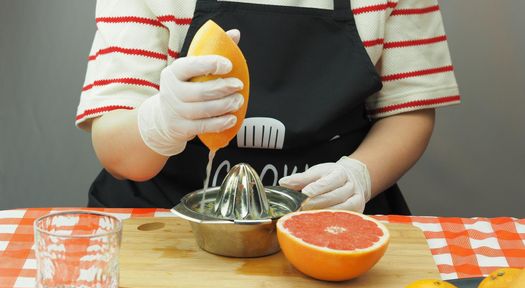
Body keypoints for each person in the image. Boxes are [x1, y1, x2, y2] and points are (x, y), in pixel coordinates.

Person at [77, 0, 460, 214]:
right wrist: (161, 123)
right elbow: (117, 149)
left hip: (330, 220)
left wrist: (361, 174)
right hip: (166, 223)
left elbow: (409, 109)